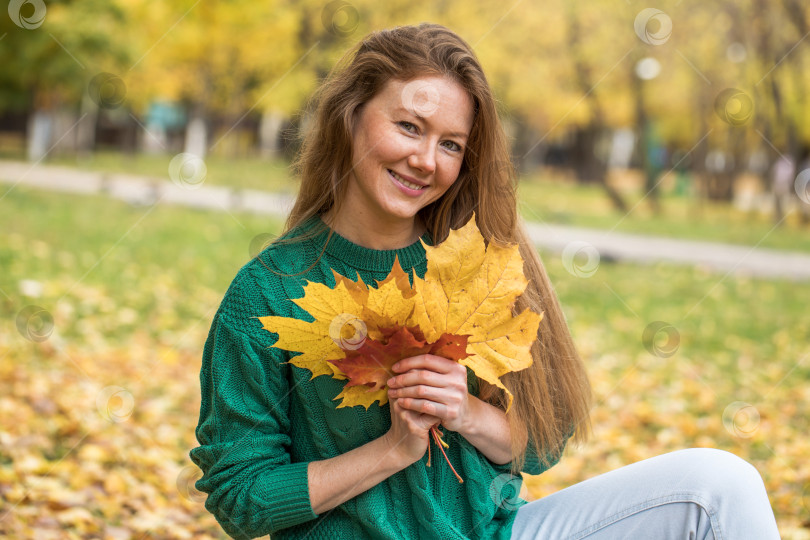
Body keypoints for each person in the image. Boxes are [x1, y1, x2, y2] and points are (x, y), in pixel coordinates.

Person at [190, 22, 781, 539]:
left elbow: (546, 442)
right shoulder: (266, 294)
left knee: (720, 487)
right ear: (350, 118)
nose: (427, 159)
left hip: (502, 533)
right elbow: (243, 501)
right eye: (409, 126)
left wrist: (466, 411)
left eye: (451, 144)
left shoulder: (481, 259)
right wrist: (391, 451)